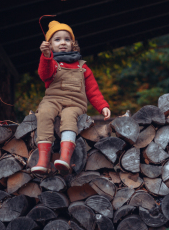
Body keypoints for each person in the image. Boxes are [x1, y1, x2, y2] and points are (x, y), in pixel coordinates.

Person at [32, 21, 111, 176]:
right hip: (52, 100)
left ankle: (65, 158)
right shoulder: (51, 63)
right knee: (44, 112)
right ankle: (43, 160)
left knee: (69, 117)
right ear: (50, 45)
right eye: (57, 39)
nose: (63, 42)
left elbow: (93, 91)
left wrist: (102, 106)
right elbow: (44, 74)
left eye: (67, 39)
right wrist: (46, 56)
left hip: (75, 104)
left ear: (73, 44)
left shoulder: (82, 67)